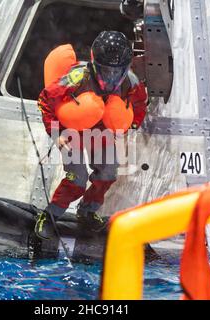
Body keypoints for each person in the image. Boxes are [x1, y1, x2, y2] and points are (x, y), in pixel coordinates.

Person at [35, 31, 148, 240]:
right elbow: (45, 100)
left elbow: (140, 103)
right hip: (73, 130)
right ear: (95, 64)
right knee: (77, 178)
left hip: (101, 129)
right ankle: (49, 216)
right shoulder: (78, 77)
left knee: (108, 173)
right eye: (106, 71)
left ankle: (87, 211)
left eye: (118, 72)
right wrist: (56, 133)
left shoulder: (130, 82)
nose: (112, 78)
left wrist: (131, 124)